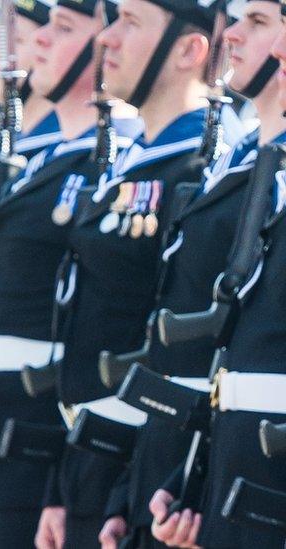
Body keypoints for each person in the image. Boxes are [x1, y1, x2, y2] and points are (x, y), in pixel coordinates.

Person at [40, 0, 240, 545]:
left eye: (130, 22)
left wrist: (129, 489)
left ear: (188, 50)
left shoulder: (201, 167)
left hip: (146, 468)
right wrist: (62, 488)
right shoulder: (132, 162)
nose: (107, 39)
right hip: (92, 460)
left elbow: (184, 355)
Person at [99, 0, 286, 546]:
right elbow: (213, 357)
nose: (231, 35)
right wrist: (178, 483)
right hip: (218, 475)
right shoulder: (245, 164)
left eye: (259, 22)